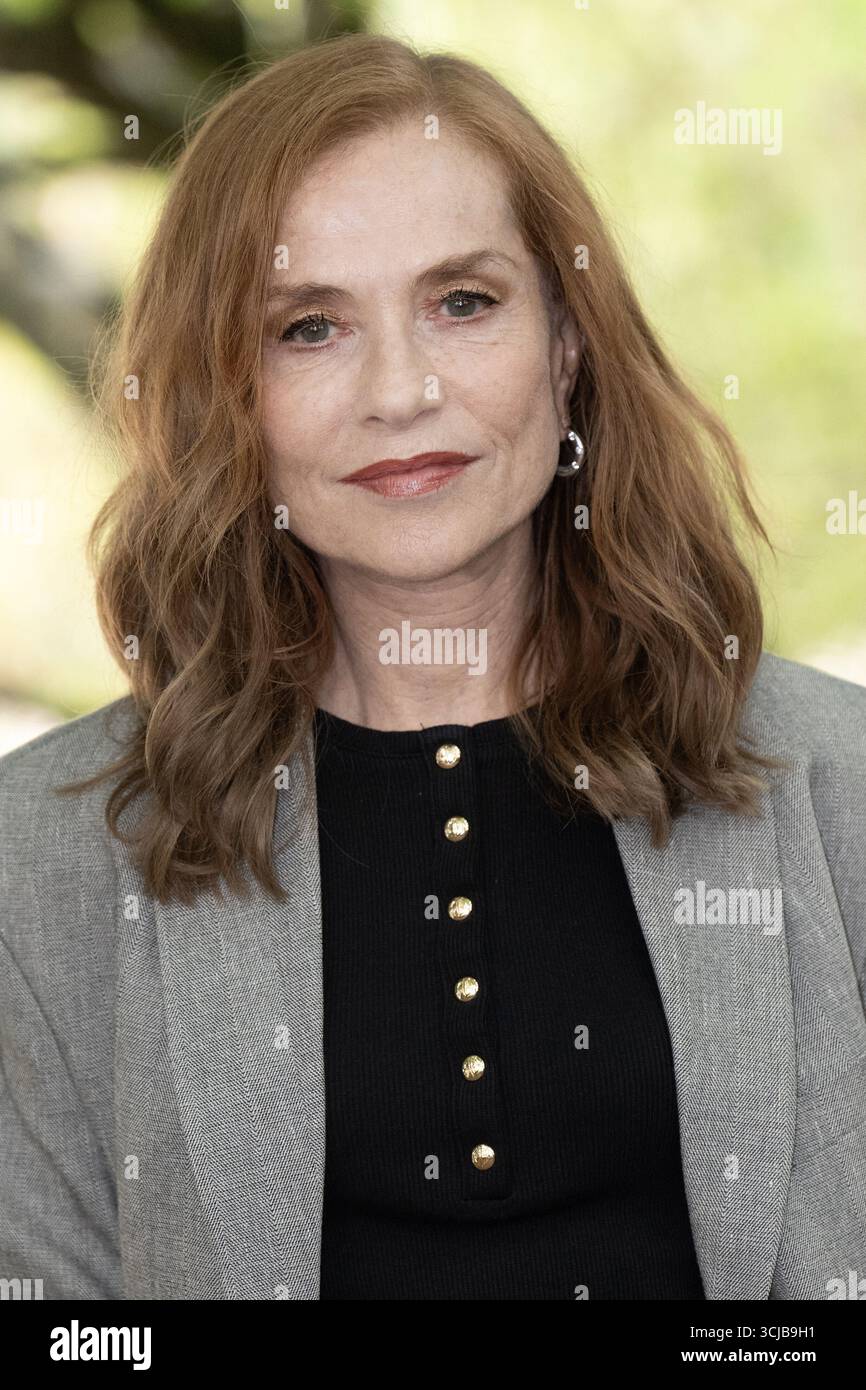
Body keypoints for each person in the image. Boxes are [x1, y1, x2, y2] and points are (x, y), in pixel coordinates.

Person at [1, 31, 864, 1302]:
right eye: (307, 327)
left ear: (567, 343)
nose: (400, 392)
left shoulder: (835, 786)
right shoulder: (43, 854)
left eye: (463, 301)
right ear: (224, 395)